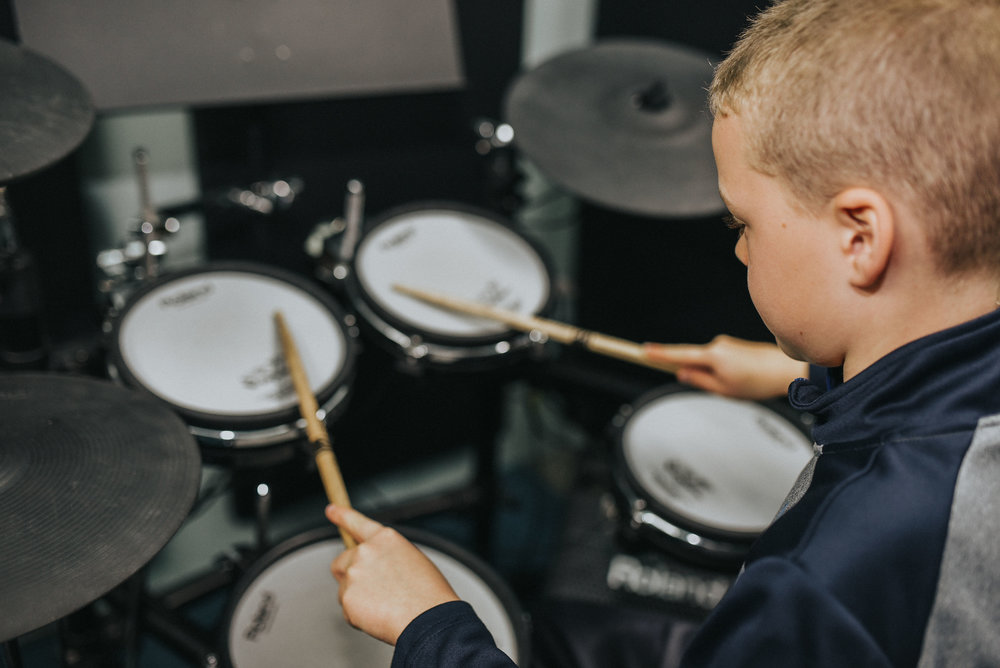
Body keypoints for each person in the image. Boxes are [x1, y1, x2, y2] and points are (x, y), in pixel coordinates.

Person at [327, 0, 1000, 665]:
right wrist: (784, 371)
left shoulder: (820, 583)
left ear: (861, 236)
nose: (739, 251)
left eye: (743, 224)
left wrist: (429, 626)